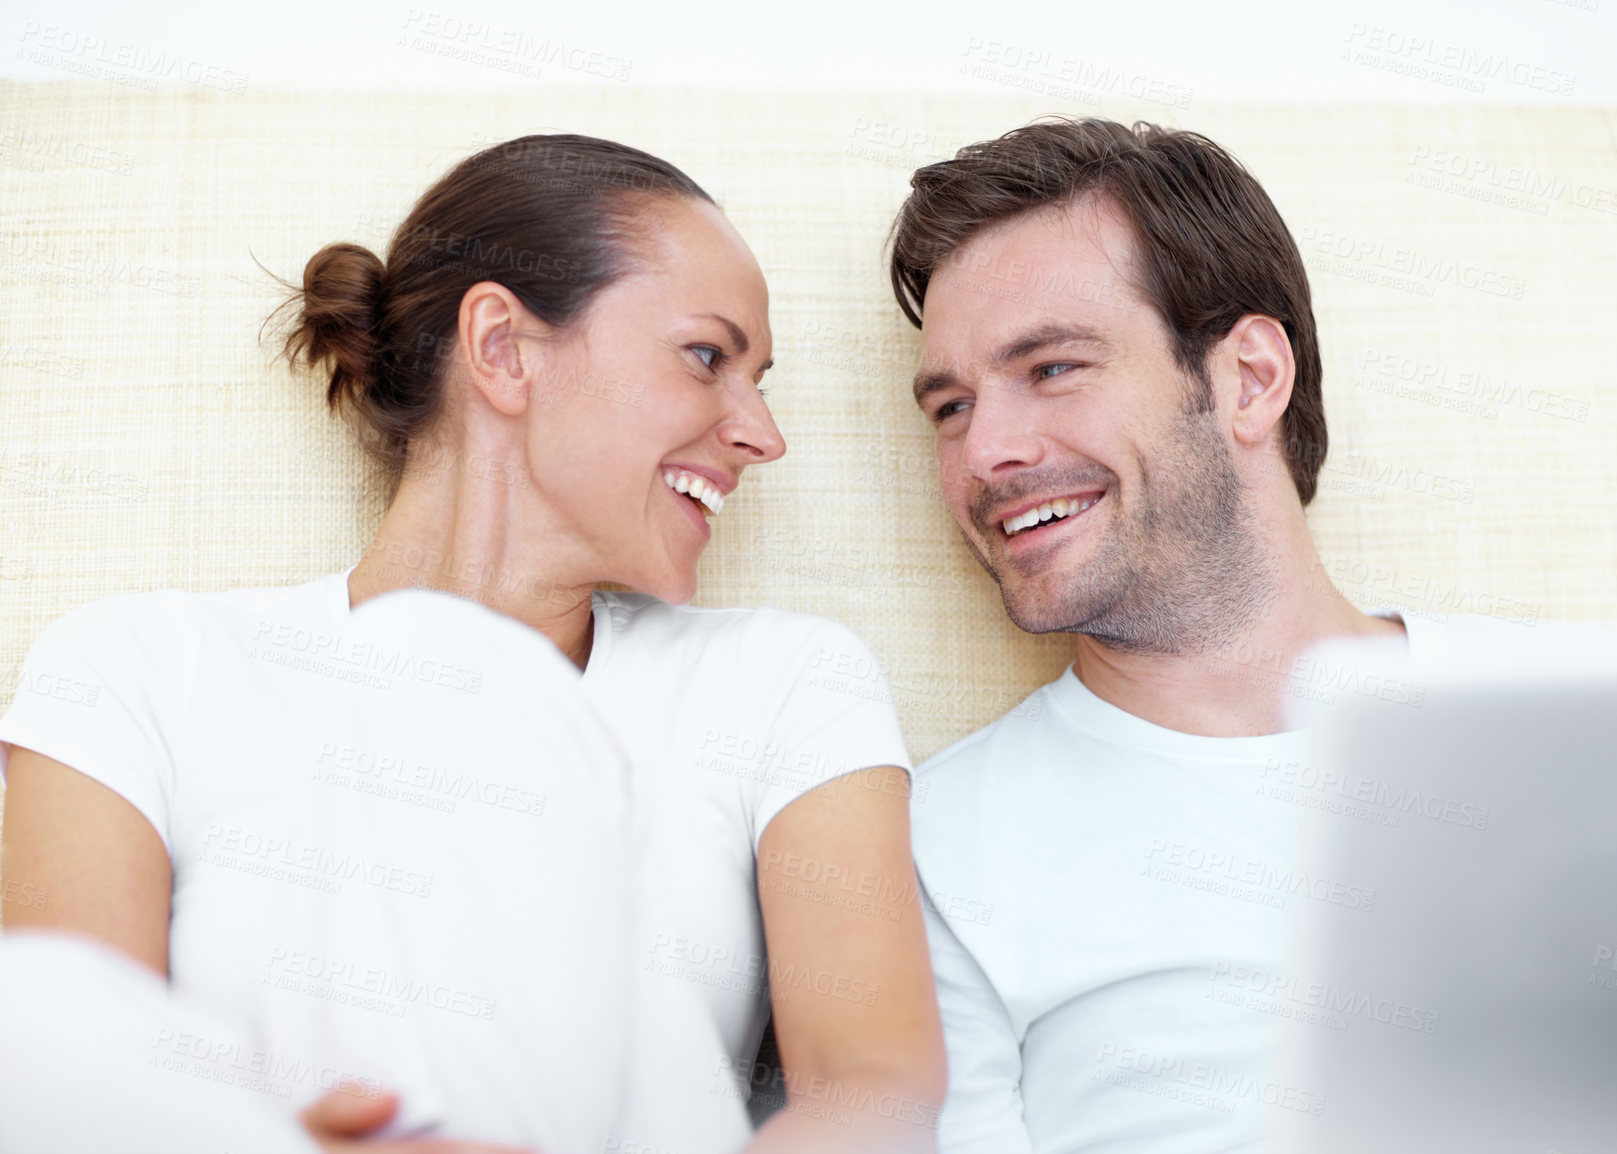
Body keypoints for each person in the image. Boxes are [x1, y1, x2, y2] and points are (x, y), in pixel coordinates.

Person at [0, 134, 944, 1154]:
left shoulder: (785, 682)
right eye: (707, 357)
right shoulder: (139, 669)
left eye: (756, 378)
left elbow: (876, 1096)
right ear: (501, 346)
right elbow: (62, 1076)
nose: (763, 432)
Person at [885, 118, 1465, 1152]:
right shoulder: (932, 843)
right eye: (950, 406)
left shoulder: (1592, 714)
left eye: (1053, 367)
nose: (986, 453)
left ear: (1247, 378)